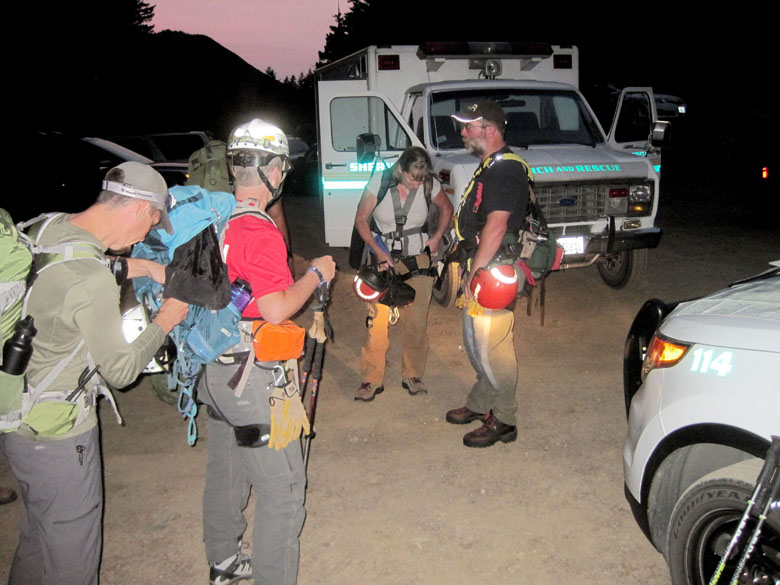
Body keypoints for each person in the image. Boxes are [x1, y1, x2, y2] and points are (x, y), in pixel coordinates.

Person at [0, 161, 189, 584]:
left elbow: (56, 272)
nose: (145, 238)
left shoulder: (46, 227)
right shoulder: (90, 278)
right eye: (151, 226)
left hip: (16, 416)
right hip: (61, 433)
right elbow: (121, 371)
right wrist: (167, 320)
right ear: (141, 211)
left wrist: (139, 268)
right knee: (71, 555)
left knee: (37, 536)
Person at [197, 118, 336, 585]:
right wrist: (316, 274)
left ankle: (224, 561)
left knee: (228, 469)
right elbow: (277, 308)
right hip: (251, 378)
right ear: (272, 168)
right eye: (283, 168)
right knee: (283, 492)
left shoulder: (216, 217)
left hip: (215, 371)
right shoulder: (259, 230)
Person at [444, 100, 530, 448]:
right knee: (476, 344)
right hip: (483, 268)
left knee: (491, 348)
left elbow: (496, 226)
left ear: (490, 130)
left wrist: (474, 273)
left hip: (493, 272)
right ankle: (481, 403)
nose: (463, 133)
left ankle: (505, 419)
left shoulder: (505, 169)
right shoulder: (491, 165)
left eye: (469, 126)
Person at [352, 146, 453, 401]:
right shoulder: (381, 181)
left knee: (417, 323)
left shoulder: (428, 183)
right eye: (412, 178)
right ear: (401, 170)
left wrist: (437, 236)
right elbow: (361, 219)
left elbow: (447, 209)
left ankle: (413, 374)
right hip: (383, 261)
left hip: (417, 261)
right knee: (377, 324)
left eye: (421, 179)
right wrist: (376, 250)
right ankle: (371, 379)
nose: (417, 184)